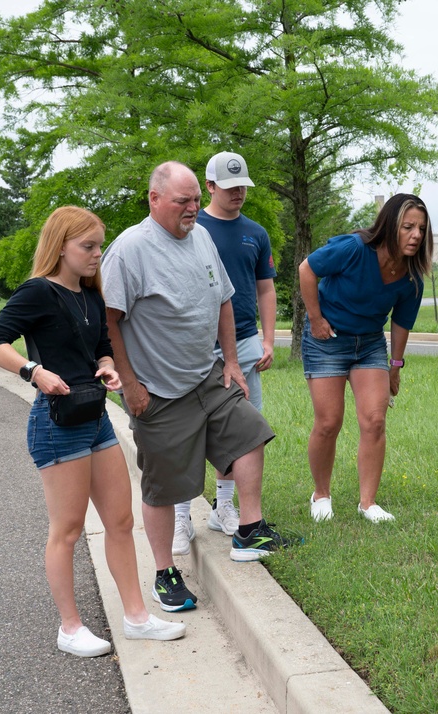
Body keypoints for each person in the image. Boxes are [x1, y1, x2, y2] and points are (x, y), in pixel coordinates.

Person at [0, 206, 186, 657]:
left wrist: (107, 369)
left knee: (120, 521)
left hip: (95, 419)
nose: (97, 254)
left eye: (99, 245)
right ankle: (70, 628)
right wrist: (34, 372)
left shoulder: (92, 295)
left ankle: (136, 617)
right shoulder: (37, 293)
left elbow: (103, 349)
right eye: (87, 246)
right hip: (56, 424)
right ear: (61, 246)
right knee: (68, 530)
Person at [101, 161, 289, 614]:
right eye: (182, 201)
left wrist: (230, 361)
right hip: (158, 389)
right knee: (164, 486)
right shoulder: (129, 251)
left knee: (249, 432)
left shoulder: (201, 236)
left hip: (208, 374)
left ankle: (249, 530)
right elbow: (108, 322)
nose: (192, 209)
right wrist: (130, 384)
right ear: (154, 199)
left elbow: (223, 299)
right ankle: (165, 573)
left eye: (194, 201)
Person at [298, 194, 433, 523]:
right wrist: (315, 319)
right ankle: (321, 494)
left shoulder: (412, 276)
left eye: (421, 229)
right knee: (329, 423)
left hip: (370, 343)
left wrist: (395, 367)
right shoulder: (354, 248)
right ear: (390, 225)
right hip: (327, 339)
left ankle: (367, 503)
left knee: (374, 421)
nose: (416, 234)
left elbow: (401, 324)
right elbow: (307, 268)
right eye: (408, 227)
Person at [171, 151, 277, 555]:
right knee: (186, 431)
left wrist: (267, 339)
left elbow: (264, 287)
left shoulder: (255, 233)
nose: (238, 194)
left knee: (241, 429)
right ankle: (182, 516)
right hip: (197, 346)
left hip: (246, 342)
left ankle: (224, 507)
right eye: (229, 188)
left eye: (242, 188)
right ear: (209, 186)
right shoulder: (190, 229)